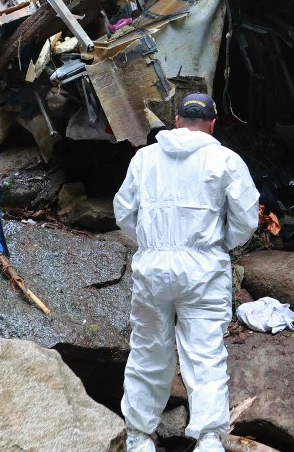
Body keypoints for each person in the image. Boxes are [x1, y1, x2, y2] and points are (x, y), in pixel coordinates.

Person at [113, 93, 260, 452]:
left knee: (148, 351)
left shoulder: (144, 158)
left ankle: (138, 437)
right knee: (205, 353)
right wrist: (216, 244)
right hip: (203, 270)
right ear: (212, 124)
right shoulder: (226, 160)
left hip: (153, 268)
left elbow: (124, 213)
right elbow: (247, 220)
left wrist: (153, 243)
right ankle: (209, 439)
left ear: (176, 120)